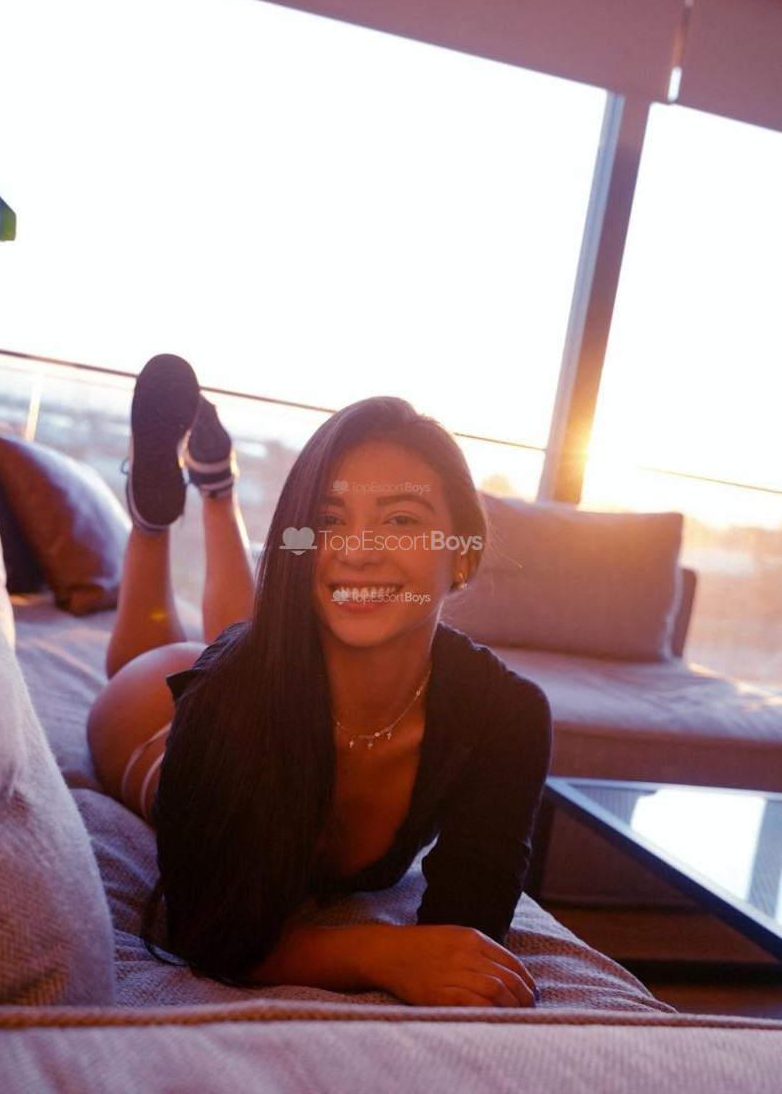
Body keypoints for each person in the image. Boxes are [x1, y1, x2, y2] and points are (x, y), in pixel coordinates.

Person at [87, 354, 553, 1009]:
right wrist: (377, 953)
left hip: (261, 663)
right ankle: (155, 517)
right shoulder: (220, 697)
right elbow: (206, 928)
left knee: (253, 637)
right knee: (168, 653)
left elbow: (465, 931)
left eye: (401, 520)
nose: (358, 550)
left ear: (462, 553)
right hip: (148, 713)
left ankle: (216, 487)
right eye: (329, 521)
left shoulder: (508, 715)